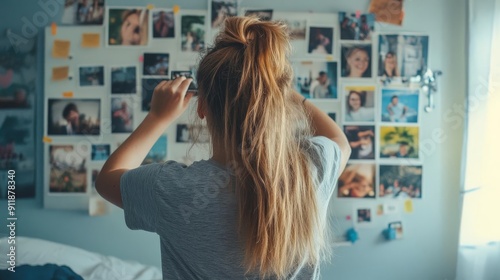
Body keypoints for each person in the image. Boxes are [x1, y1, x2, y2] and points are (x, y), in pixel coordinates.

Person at [96, 17, 351, 279]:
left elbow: (107, 178)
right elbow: (339, 141)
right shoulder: (310, 169)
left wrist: (157, 118)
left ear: (202, 107)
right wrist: (281, 91)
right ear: (278, 102)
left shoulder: (171, 191)